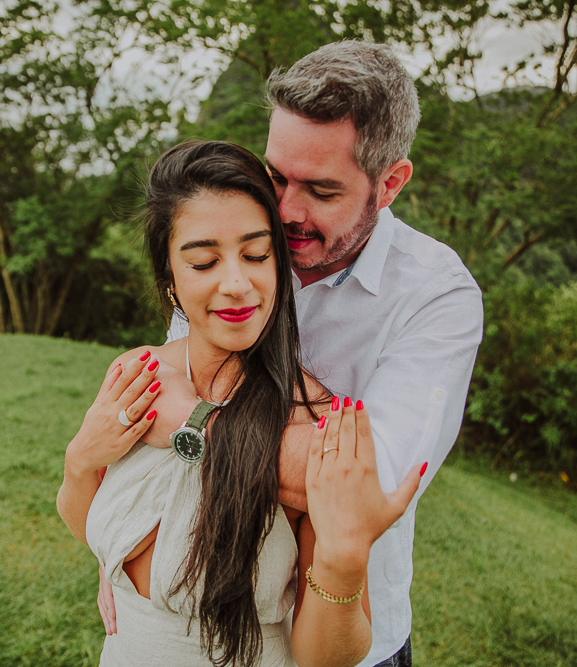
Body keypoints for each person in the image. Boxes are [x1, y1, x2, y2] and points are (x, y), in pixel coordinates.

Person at [102, 42, 484, 667]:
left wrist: (178, 419)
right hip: (192, 604)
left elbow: (368, 489)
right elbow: (174, 380)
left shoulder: (436, 295)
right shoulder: (240, 240)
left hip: (337, 633)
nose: (284, 210)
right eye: (277, 175)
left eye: (322, 190)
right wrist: (122, 541)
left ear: (390, 183)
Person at [57, 140, 424, 667]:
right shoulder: (138, 373)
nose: (236, 284)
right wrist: (79, 462)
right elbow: (85, 521)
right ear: (170, 280)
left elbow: (325, 657)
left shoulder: (315, 424)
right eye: (204, 262)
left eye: (256, 255)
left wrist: (343, 566)